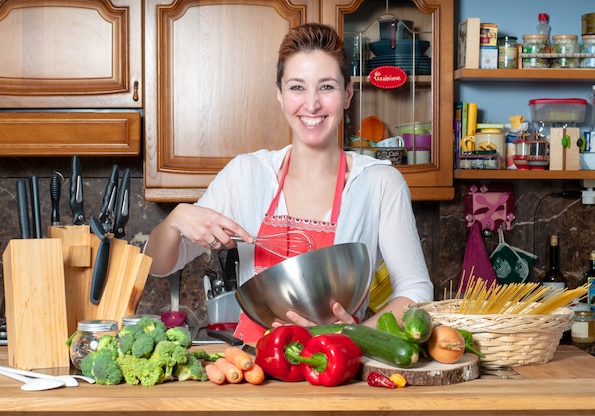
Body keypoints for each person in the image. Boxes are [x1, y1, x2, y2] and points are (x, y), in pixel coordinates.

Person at [144, 22, 433, 341]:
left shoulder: (380, 183)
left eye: (327, 87)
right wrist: (175, 221)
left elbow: (416, 290)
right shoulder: (246, 174)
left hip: (340, 368)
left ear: (348, 94)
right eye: (297, 87)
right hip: (254, 367)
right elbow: (159, 265)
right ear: (279, 95)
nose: (311, 105)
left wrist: (351, 337)